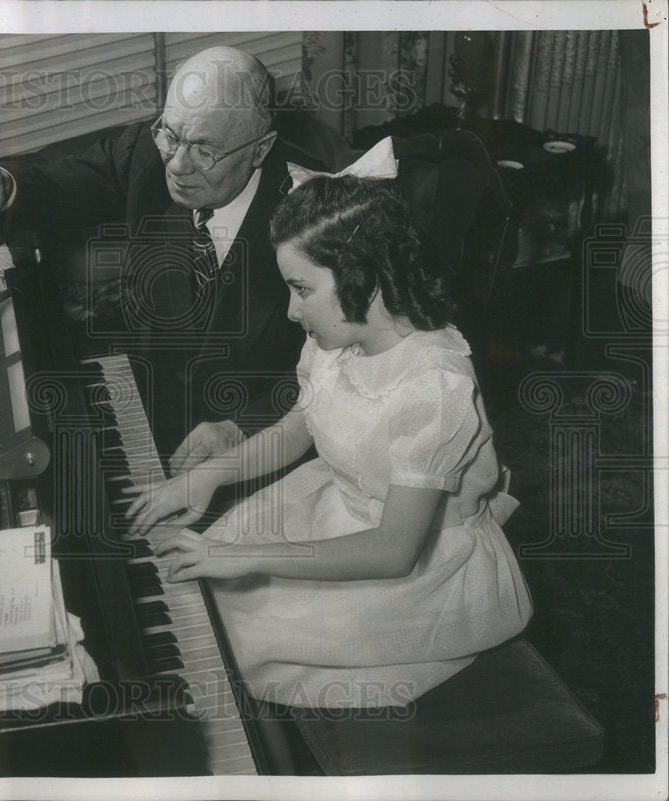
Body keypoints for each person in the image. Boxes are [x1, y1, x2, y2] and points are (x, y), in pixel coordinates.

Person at [124, 174, 533, 710]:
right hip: (336, 508)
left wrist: (243, 556)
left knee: (229, 649)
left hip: (410, 566)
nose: (293, 311)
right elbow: (300, 428)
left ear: (364, 278)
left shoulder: (434, 387)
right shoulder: (337, 342)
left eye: (301, 289)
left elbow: (393, 553)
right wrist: (209, 475)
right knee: (195, 593)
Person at [0, 46, 338, 469]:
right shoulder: (149, 157)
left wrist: (243, 426)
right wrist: (7, 188)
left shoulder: (321, 215)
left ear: (260, 150)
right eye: (170, 135)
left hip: (256, 455)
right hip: (144, 416)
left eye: (205, 150)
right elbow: (68, 179)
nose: (176, 164)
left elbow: (344, 362)